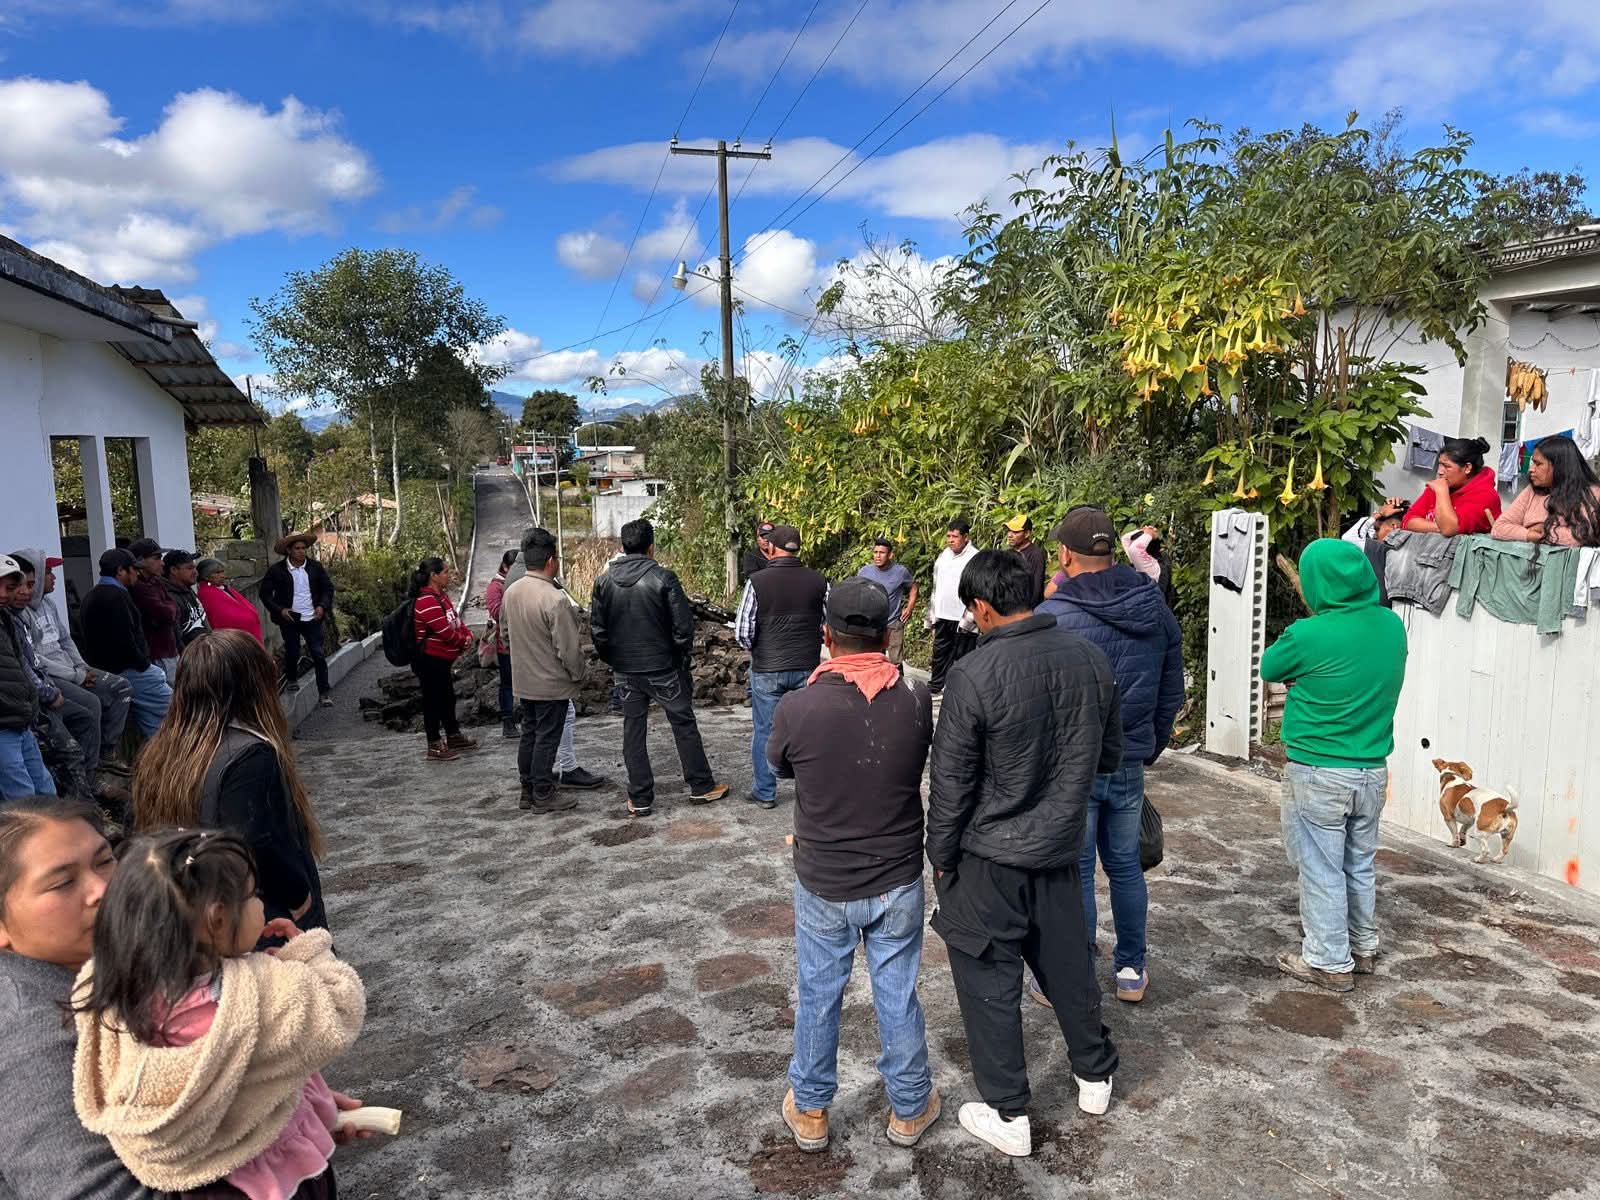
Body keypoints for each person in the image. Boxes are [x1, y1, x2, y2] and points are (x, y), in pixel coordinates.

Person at [0, 799, 373, 1200]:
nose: (103, 889)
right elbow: (89, 1190)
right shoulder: (26, 1031)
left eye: (104, 861)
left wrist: (270, 1102)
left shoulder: (132, 966)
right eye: (62, 882)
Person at [927, 549, 1121, 1158]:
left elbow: (951, 784)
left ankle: (1008, 1110)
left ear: (982, 607)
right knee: (1066, 963)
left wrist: (941, 855)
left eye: (971, 611)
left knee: (988, 978)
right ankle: (1094, 1074)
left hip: (990, 858)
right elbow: (1109, 755)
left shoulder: (974, 674)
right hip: (1061, 849)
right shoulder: (1090, 659)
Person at [767, 577, 939, 1153]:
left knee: (819, 992)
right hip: (897, 876)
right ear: (889, 634)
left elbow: (782, 767)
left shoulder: (797, 706)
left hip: (824, 879)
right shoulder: (915, 698)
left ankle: (812, 1109)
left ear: (826, 636)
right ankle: (910, 1107)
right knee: (898, 991)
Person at [1034, 507, 1183, 1006]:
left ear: (1063, 554)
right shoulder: (1153, 606)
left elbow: (1036, 699)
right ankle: (1131, 970)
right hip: (1127, 760)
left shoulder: (1052, 616)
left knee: (1075, 870)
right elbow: (1170, 688)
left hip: (1070, 765)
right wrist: (1150, 744)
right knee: (1125, 867)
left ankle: (1073, 972)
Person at [1260, 539, 1407, 992]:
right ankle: (1362, 947)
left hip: (1320, 771)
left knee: (1320, 865)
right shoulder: (1391, 625)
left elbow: (1269, 666)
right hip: (1371, 770)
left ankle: (1327, 960)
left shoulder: (1309, 634)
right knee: (1358, 862)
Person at [133, 630, 329, 933]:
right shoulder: (251, 756)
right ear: (254, 686)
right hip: (263, 917)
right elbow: (254, 840)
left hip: (199, 913)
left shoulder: (160, 752)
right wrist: (299, 896)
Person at [591, 519, 727, 818]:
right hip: (663, 666)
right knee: (683, 724)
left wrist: (615, 660)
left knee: (633, 730)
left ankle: (640, 798)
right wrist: (678, 657)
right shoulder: (664, 578)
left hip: (626, 670)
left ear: (622, 547)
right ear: (651, 547)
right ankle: (701, 786)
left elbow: (598, 632)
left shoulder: (603, 582)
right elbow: (683, 628)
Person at [15, 549, 133, 772]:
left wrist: (82, 667)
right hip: (54, 676)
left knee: (121, 687)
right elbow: (35, 659)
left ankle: (107, 751)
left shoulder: (49, 604)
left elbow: (66, 639)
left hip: (72, 669)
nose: (54, 578)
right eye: (48, 572)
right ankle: (91, 771)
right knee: (91, 703)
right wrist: (76, 676)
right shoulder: (21, 614)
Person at [735, 524, 827, 811]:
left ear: (772, 548)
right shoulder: (819, 581)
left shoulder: (758, 581)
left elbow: (743, 631)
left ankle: (765, 792)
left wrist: (758, 647)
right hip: (806, 666)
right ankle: (811, 792)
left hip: (768, 668)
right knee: (808, 730)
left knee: (765, 729)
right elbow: (830, 624)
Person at [504, 528, 586, 814]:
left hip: (524, 680)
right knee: (547, 737)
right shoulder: (555, 599)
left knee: (530, 733)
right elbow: (569, 649)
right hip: (550, 683)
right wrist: (578, 675)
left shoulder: (511, 592)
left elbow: (505, 634)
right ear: (552, 560)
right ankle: (543, 792)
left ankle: (527, 789)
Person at [8, 559, 97, 797]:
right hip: (18, 712)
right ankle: (79, 808)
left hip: (28, 708)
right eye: (14, 587)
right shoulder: (11, 619)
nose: (24, 592)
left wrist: (80, 668)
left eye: (29, 585)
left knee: (42, 782)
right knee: (25, 789)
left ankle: (82, 800)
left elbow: (33, 661)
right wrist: (49, 691)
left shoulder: (15, 618)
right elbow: (22, 668)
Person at [77, 549, 171, 737]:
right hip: (128, 670)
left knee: (154, 725)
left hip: (116, 668)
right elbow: (124, 641)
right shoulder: (115, 597)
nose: (137, 573)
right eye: (133, 569)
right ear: (120, 571)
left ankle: (158, 758)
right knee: (176, 710)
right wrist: (144, 666)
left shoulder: (95, 594)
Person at [410, 557, 477, 764]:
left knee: (447, 697)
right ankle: (434, 744)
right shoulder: (426, 601)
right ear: (433, 576)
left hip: (444, 659)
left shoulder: (442, 597)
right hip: (430, 659)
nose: (449, 575)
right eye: (446, 572)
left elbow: (455, 620)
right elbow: (444, 631)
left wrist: (467, 634)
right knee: (432, 701)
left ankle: (453, 735)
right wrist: (462, 641)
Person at [0, 555, 53, 800]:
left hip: (21, 721)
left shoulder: (7, 619)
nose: (3, 594)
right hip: (4, 726)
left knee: (45, 791)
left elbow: (23, 666)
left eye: (9, 588)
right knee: (23, 801)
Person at [260, 533, 335, 706]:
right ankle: (292, 678)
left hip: (313, 618)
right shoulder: (277, 570)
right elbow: (265, 594)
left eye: (303, 548)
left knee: (318, 654)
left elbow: (327, 588)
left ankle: (324, 692)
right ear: (289, 550)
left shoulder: (315, 567)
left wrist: (322, 606)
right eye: (297, 549)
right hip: (290, 619)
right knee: (292, 650)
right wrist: (280, 610)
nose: (301, 552)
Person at [1491, 434, 1600, 547]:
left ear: (1559, 466)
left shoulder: (1591, 494)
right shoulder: (1532, 491)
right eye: (1533, 463)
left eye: (1538, 464)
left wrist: (1544, 529)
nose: (1531, 469)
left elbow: (1581, 537)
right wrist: (1531, 535)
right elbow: (1499, 528)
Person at [1400, 435, 1502, 536]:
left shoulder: (1485, 496)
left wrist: (1441, 493)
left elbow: (1449, 529)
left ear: (1467, 468)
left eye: (1447, 466)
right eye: (1440, 464)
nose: (1439, 471)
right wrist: (1440, 526)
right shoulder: (1440, 486)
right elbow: (1407, 521)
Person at [927, 518, 979, 695]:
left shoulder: (974, 557)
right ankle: (935, 685)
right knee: (940, 652)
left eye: (954, 536)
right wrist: (932, 614)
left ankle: (959, 690)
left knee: (962, 655)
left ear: (965, 537)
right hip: (943, 614)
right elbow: (936, 586)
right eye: (948, 536)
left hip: (964, 616)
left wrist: (971, 616)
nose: (950, 540)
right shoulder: (944, 555)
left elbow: (976, 589)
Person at [124, 538, 179, 686]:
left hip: (170, 650)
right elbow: (164, 613)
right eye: (156, 558)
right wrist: (168, 610)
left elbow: (174, 609)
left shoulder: (156, 581)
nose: (162, 563)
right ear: (140, 561)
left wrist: (169, 610)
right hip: (156, 654)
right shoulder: (138, 587)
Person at [856, 537, 917, 664]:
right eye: (875, 552)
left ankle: (898, 683)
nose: (877, 556)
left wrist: (910, 607)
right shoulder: (864, 572)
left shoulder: (900, 572)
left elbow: (913, 587)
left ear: (890, 555)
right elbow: (857, 592)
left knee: (896, 661)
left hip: (893, 623)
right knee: (874, 660)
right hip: (872, 623)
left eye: (882, 553)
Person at [485, 549, 520, 739]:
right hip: (506, 645)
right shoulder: (495, 587)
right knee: (507, 684)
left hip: (524, 642)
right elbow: (497, 611)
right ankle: (508, 721)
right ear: (506, 567)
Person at [195, 558, 263, 642]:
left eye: (222, 571)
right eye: (217, 573)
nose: (223, 575)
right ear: (206, 576)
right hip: (234, 639)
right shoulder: (206, 594)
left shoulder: (224, 588)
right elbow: (222, 618)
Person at [159, 550, 211, 652]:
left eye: (195, 567)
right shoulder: (168, 597)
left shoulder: (188, 590)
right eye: (190, 568)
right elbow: (175, 638)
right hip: (189, 659)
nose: (195, 572)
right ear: (173, 570)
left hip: (205, 654)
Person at [1004, 515, 1047, 607]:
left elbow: (1036, 588)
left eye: (1015, 532)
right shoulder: (1008, 553)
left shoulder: (1036, 554)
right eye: (1009, 531)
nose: (1010, 535)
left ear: (1027, 533)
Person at [1341, 498, 1407, 546]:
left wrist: (1379, 513)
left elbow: (1349, 538)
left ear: (1394, 527)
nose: (1374, 536)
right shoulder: (1409, 550)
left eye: (1377, 530)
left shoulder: (1378, 552)